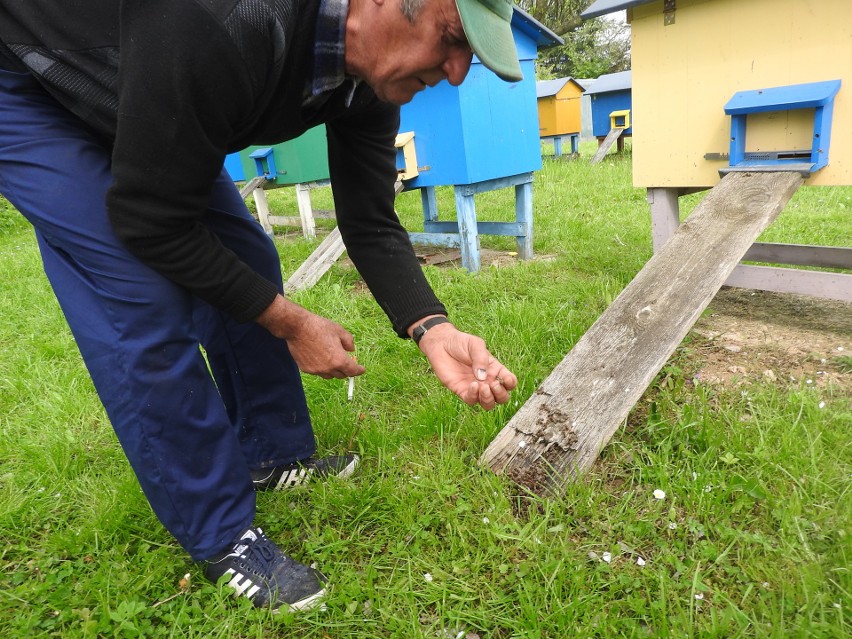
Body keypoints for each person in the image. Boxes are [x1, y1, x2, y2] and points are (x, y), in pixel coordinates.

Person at [0, 0, 521, 611]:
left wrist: (433, 328)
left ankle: (271, 454)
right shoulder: (224, 17)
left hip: (140, 72)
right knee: (137, 293)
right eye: (452, 40)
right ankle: (221, 534)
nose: (457, 72)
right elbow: (152, 223)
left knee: (246, 258)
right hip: (27, 77)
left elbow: (371, 221)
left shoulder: (370, 83)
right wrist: (289, 320)